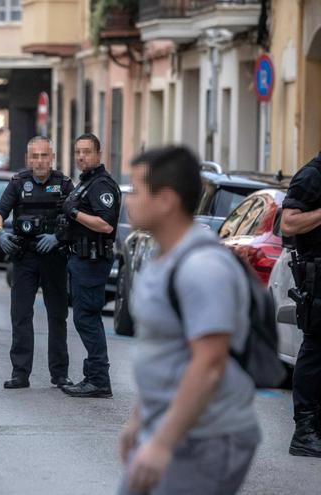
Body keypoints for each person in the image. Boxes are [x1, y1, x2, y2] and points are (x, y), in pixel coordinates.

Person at [118, 146, 260, 494]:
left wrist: (163, 443)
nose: (129, 200)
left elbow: (209, 362)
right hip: (168, 428)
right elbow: (165, 349)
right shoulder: (161, 256)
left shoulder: (202, 268)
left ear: (165, 200)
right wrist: (139, 419)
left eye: (136, 190)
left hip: (206, 437)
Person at [0, 136, 73, 389]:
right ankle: (20, 373)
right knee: (20, 315)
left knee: (57, 316)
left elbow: (76, 218)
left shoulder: (64, 184)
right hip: (25, 257)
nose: (39, 161)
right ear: (29, 159)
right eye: (35, 156)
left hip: (54, 258)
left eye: (44, 156)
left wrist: (58, 237)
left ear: (52, 157)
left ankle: (59, 374)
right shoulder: (18, 183)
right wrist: (0, 233)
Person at [59, 133, 119, 398]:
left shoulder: (101, 185)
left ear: (98, 154)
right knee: (84, 317)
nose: (81, 156)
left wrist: (73, 212)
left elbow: (106, 224)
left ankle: (98, 379)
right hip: (80, 259)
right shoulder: (86, 183)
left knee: (87, 318)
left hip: (92, 261)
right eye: (77, 152)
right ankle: (94, 376)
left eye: (86, 151)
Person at [280, 152, 321, 457]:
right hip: (317, 276)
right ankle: (304, 431)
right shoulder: (311, 175)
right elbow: (289, 222)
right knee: (315, 349)